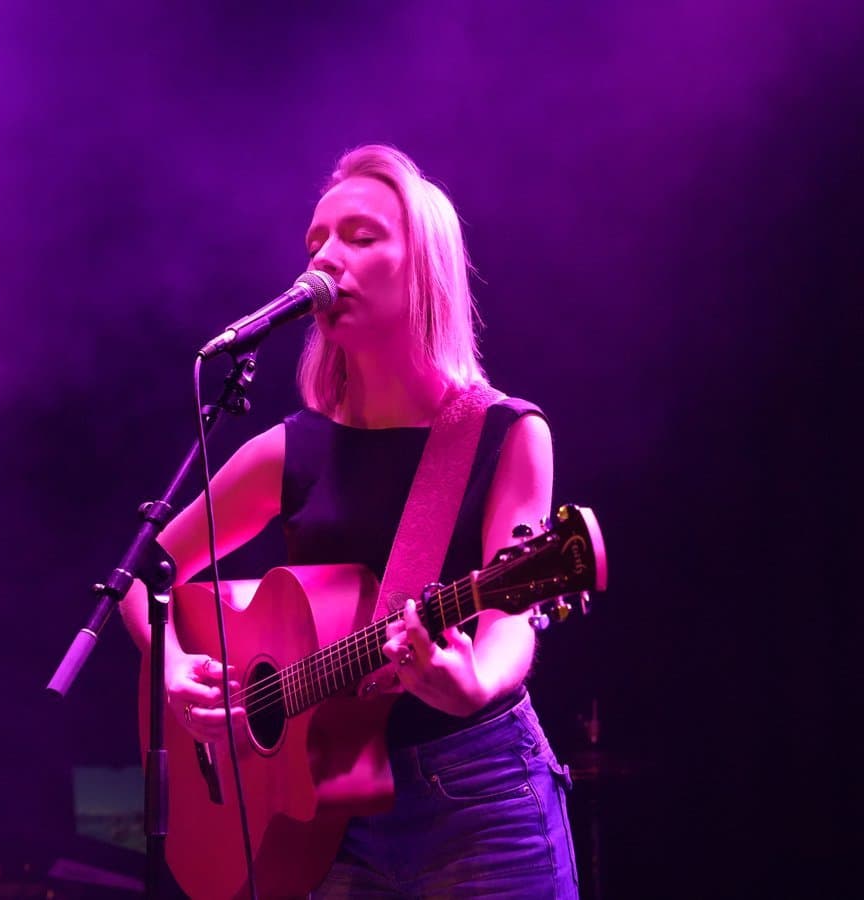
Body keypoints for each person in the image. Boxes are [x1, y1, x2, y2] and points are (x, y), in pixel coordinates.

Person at [120, 144, 578, 897]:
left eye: (362, 237)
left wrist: (472, 684)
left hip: (480, 799)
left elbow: (510, 622)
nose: (327, 258)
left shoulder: (507, 434)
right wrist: (171, 670)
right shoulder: (288, 452)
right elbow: (144, 577)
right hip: (325, 818)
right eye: (316, 242)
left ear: (423, 264)